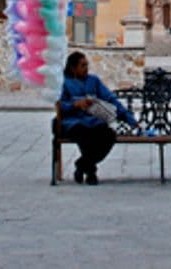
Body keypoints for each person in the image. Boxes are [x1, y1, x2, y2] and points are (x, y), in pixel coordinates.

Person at [57, 51, 137, 185]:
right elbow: (60, 105)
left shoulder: (93, 81)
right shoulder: (64, 83)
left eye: (87, 65)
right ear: (73, 68)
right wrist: (75, 104)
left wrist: (128, 116)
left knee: (108, 135)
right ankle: (91, 171)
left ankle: (82, 164)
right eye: (83, 66)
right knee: (85, 135)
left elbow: (110, 98)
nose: (86, 69)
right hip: (73, 122)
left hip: (93, 120)